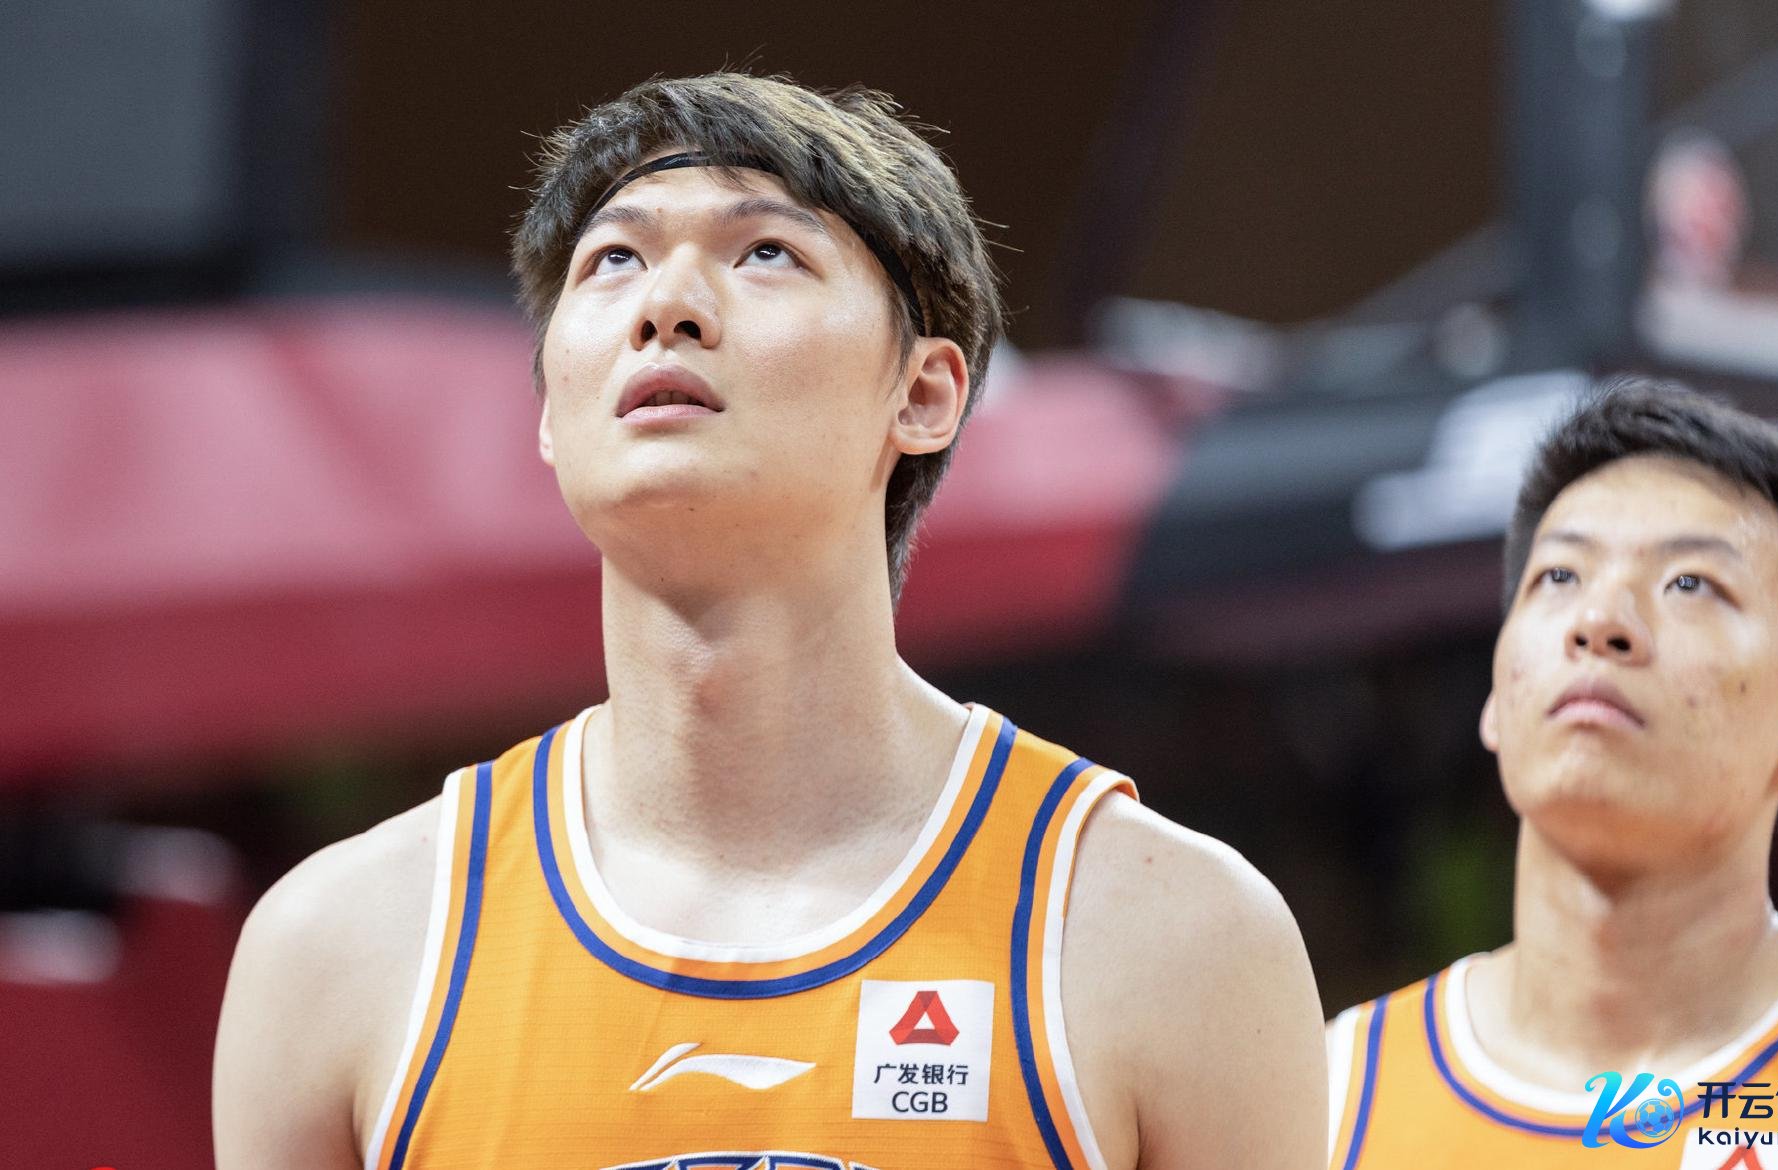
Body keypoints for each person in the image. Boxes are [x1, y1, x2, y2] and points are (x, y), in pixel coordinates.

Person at [213, 73, 1326, 1170]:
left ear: (924, 394)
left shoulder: (1170, 938)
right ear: (549, 411)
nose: (667, 306)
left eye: (764, 253)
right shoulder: (342, 948)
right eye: (614, 260)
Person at [1327, 378, 1778, 1169]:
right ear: (1495, 699)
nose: (1599, 622)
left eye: (1690, 583)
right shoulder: (1330, 1092)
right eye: (1559, 576)